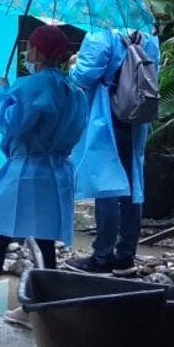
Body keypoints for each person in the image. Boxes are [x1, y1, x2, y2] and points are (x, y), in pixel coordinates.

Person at [0, 25, 88, 327]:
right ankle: (36, 309)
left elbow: (12, 124)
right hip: (58, 171)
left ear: (36, 51)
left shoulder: (32, 86)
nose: (27, 52)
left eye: (30, 47)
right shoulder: (75, 92)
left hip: (26, 170)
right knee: (44, 240)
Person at [63, 28, 161, 276]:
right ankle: (126, 256)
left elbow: (83, 77)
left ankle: (102, 256)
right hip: (137, 117)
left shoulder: (101, 35)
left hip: (106, 116)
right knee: (131, 185)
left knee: (106, 183)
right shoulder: (148, 37)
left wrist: (73, 64)